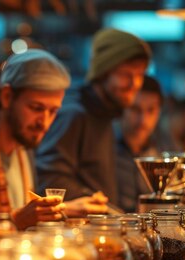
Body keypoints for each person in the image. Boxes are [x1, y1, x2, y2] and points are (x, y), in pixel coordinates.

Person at [0, 49, 108, 229]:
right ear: (7, 96)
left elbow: (29, 215)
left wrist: (66, 209)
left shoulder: (24, 145)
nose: (45, 123)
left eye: (53, 111)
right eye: (36, 108)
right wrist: (17, 220)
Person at [36, 28, 151, 209]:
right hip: (76, 233)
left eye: (140, 75)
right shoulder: (75, 113)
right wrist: (99, 207)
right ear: (103, 72)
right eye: (126, 75)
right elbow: (50, 180)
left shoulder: (103, 113)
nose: (135, 84)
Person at [114, 76, 171, 212]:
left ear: (159, 111)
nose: (143, 120)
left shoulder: (166, 148)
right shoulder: (104, 148)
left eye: (151, 110)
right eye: (135, 109)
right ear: (123, 108)